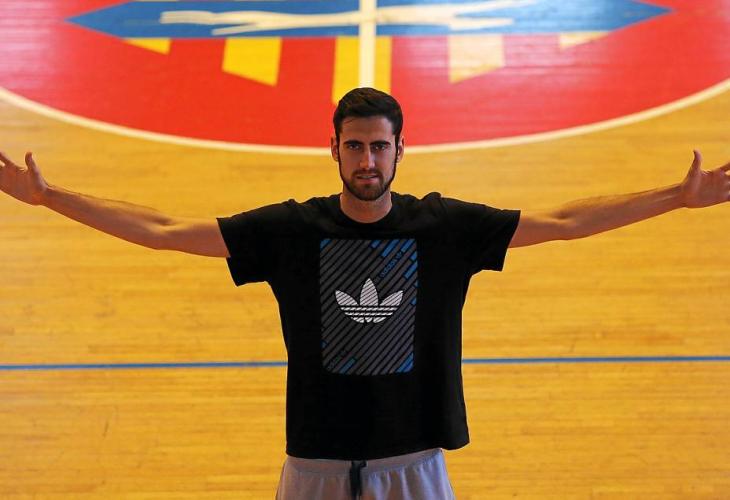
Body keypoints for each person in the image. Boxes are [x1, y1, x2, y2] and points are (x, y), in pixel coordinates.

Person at [1, 87, 728, 500]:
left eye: (380, 146)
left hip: (415, 461)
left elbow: (566, 221)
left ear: (401, 150)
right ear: (335, 149)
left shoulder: (443, 228)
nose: (368, 160)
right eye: (355, 146)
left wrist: (676, 197)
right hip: (314, 462)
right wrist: (48, 197)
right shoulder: (291, 231)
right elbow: (163, 231)